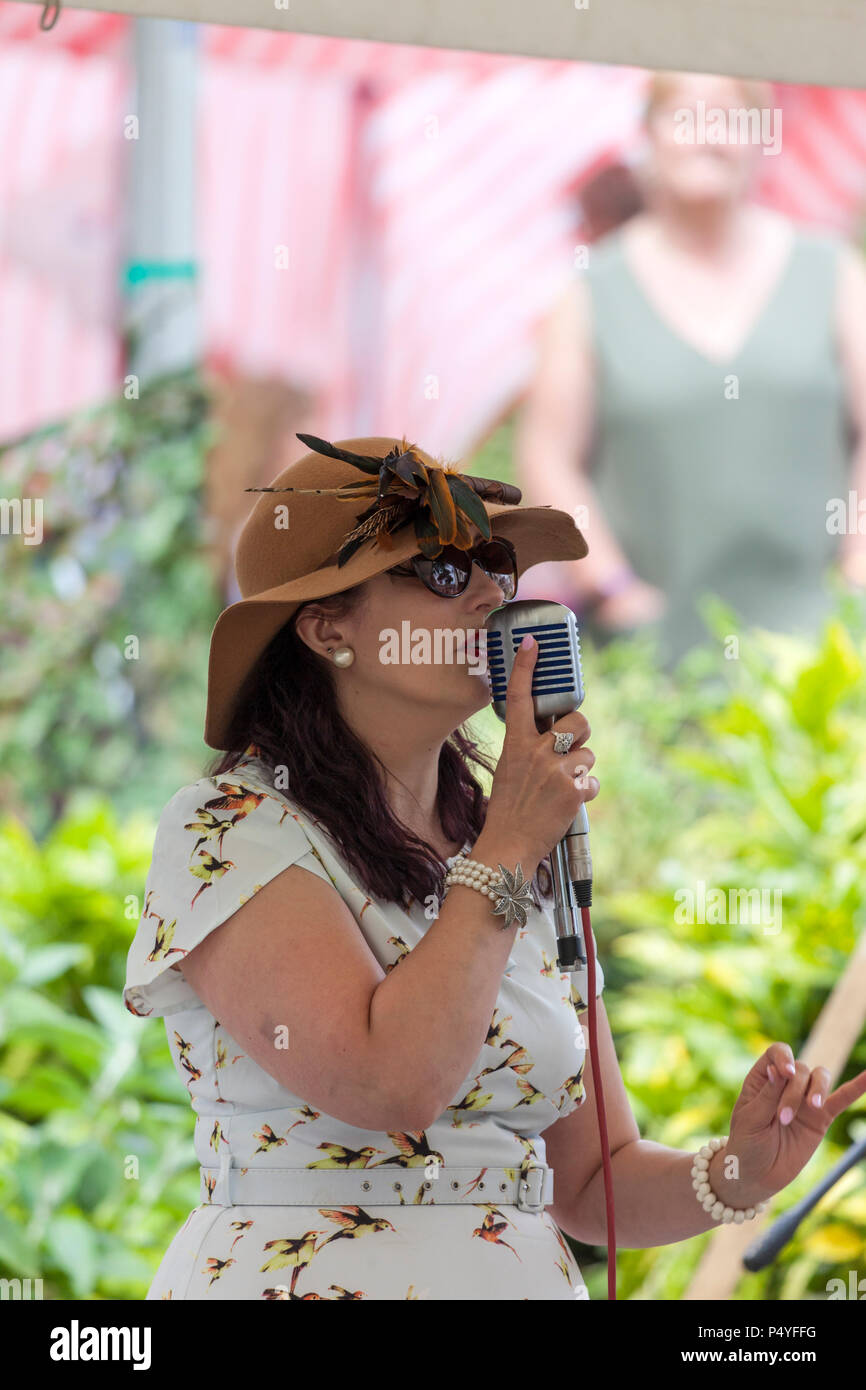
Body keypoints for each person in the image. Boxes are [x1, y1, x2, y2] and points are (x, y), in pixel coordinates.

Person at [123, 433, 866, 1299]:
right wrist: (510, 843)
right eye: (442, 572)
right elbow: (393, 1082)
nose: (492, 593)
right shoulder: (231, 827)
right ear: (328, 628)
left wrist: (741, 1172)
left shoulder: (512, 844)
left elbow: (593, 1183)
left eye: (497, 564)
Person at [516, 70, 866, 662]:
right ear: (648, 133)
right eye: (685, 117)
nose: (707, 137)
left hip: (821, 656)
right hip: (658, 660)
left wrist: (857, 568)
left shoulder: (832, 272)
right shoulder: (590, 292)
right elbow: (547, 457)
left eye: (729, 118)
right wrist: (614, 589)